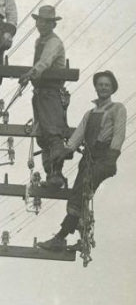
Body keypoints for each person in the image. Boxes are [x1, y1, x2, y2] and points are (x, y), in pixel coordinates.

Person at [38, 70, 126, 250]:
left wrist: (111, 158)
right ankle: (83, 238)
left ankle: (60, 238)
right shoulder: (89, 113)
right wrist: (63, 151)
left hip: (104, 159)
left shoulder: (118, 109)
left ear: (112, 88)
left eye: (107, 85)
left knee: (79, 196)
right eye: (100, 84)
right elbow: (77, 137)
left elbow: (119, 134)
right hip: (88, 160)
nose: (103, 87)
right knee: (81, 196)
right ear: (96, 88)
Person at [19, 5, 68, 188]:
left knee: (53, 133)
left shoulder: (54, 43)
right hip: (40, 93)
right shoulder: (39, 41)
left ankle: (57, 173)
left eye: (47, 22)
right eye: (40, 21)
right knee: (43, 136)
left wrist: (31, 74)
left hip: (51, 93)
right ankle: (51, 173)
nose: (42, 24)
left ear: (53, 24)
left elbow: (45, 62)